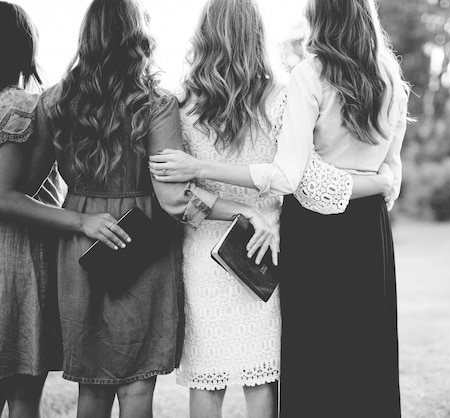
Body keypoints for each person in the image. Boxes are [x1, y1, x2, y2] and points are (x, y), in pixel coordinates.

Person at [0, 1, 276, 417]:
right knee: (136, 390)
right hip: (142, 243)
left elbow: (15, 194)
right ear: (137, 37)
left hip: (80, 251)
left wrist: (82, 219)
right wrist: (241, 210)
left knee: (90, 388)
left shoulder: (55, 101)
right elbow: (176, 199)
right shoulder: (155, 104)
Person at [149, 0, 410, 416]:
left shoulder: (308, 76)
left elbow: (291, 175)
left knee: (308, 358)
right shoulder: (389, 76)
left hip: (296, 232)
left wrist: (199, 167)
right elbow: (389, 170)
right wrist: (377, 183)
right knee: (366, 347)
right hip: (353, 229)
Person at [0, 3, 63, 417]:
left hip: (18, 258)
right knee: (24, 399)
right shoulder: (21, 105)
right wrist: (78, 220)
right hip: (16, 259)